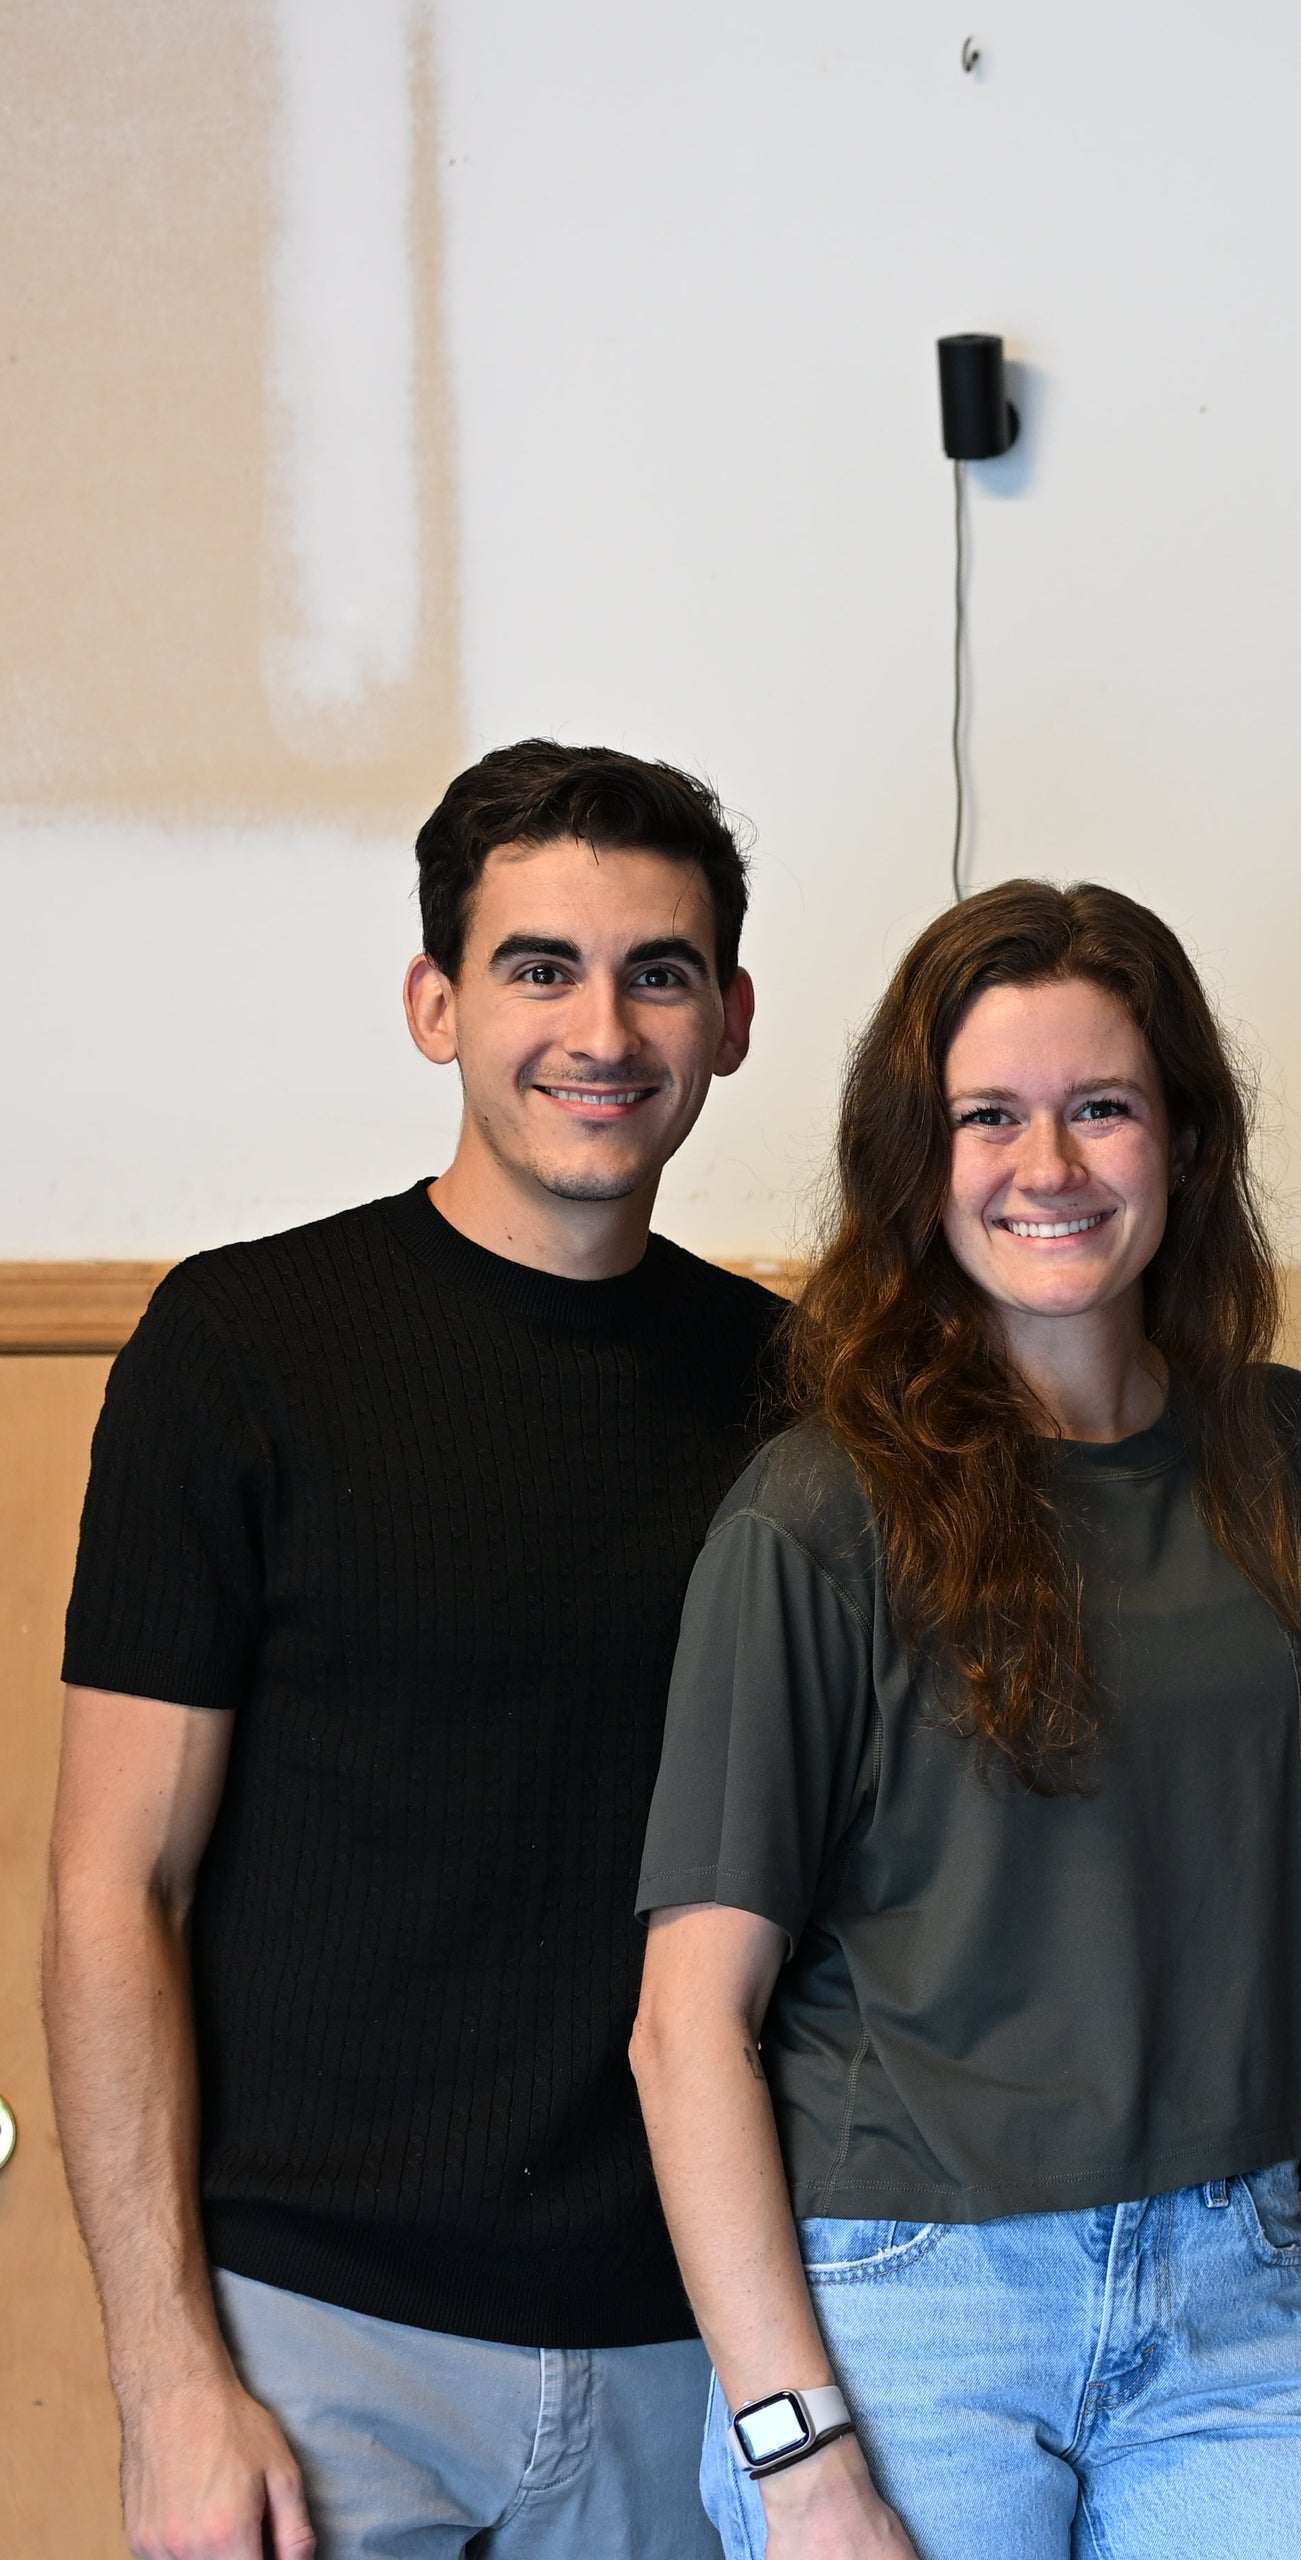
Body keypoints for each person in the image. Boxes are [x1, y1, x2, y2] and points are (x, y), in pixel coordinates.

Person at [628, 880, 1301, 2560]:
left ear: (1180, 1134)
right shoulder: (817, 1515)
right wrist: (799, 2458)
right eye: (989, 1118)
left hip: (1233, 2290)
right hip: (905, 2311)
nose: (1050, 1167)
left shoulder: (1294, 1460)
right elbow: (688, 2030)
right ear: (918, 1158)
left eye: (1101, 1108)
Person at [43, 742, 778, 2560]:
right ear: (435, 1004)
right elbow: (106, 1890)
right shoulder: (238, 1350)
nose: (600, 1027)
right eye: (540, 966)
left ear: (734, 1019)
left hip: (687, 2349)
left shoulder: (807, 1401)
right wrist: (167, 2382)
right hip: (312, 2357)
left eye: (657, 971)